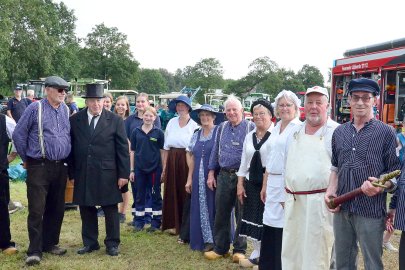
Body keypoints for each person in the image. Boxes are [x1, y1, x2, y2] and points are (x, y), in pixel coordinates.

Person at [325, 78, 401, 270]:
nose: (360, 102)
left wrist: (381, 185)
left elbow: (395, 175)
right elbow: (336, 166)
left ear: (374, 100)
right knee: (342, 263)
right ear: (348, 100)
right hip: (342, 208)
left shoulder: (386, 132)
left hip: (371, 212)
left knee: (373, 264)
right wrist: (331, 190)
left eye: (366, 98)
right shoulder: (339, 132)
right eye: (356, 97)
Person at [13, 76, 71, 266]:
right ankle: (35, 250)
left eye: (65, 90)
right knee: (37, 209)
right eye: (59, 89)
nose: (63, 93)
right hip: (39, 165)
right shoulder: (34, 108)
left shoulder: (65, 109)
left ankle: (50, 243)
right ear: (47, 90)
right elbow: (18, 134)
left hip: (60, 165)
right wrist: (27, 158)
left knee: (57, 208)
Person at [281, 87, 339, 269]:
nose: (314, 107)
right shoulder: (294, 131)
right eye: (310, 102)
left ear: (327, 105)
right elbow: (287, 164)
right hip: (294, 201)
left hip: (319, 203)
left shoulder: (336, 132)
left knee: (317, 253)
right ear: (304, 106)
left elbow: (341, 170)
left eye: (318, 103)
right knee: (292, 250)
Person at [69, 83, 129, 257]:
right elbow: (71, 148)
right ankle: (90, 242)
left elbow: (122, 149)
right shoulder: (75, 120)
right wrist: (71, 173)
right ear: (87, 102)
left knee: (110, 208)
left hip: (107, 172)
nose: (96, 104)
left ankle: (112, 243)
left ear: (104, 101)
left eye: (99, 100)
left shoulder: (115, 120)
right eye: (93, 101)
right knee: (86, 207)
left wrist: (123, 174)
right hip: (83, 171)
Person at [204, 95, 255, 263]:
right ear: (224, 112)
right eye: (228, 110)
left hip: (244, 177)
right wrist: (211, 172)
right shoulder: (221, 128)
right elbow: (214, 152)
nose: (232, 112)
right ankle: (220, 248)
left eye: (235, 109)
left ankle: (239, 250)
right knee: (222, 212)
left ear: (242, 111)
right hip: (224, 175)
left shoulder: (251, 127)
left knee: (242, 213)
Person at [258, 90, 301, 270]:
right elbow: (269, 159)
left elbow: (296, 162)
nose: (284, 108)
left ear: (296, 108)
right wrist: (264, 185)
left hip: (286, 185)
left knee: (284, 228)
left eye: (288, 105)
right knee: (269, 224)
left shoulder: (298, 129)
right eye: (281, 105)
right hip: (272, 183)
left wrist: (287, 192)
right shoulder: (275, 128)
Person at [236, 99, 274, 268]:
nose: (258, 117)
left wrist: (266, 185)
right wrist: (240, 184)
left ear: (271, 116)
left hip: (270, 184)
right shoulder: (249, 137)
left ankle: (267, 255)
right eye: (255, 114)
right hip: (252, 183)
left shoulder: (276, 135)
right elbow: (244, 162)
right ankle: (256, 253)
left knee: (267, 219)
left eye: (262, 113)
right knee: (252, 217)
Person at [185, 104, 224, 251]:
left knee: (215, 205)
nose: (205, 118)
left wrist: (213, 173)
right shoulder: (196, 134)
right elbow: (193, 158)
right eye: (202, 115)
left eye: (208, 115)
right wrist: (189, 179)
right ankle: (202, 239)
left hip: (215, 175)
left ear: (214, 117)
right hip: (197, 177)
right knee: (199, 205)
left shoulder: (219, 132)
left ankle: (216, 239)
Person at [161, 95, 198, 242]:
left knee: (184, 192)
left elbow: (194, 149)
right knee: (171, 190)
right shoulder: (171, 122)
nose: (180, 108)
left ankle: (184, 226)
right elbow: (165, 147)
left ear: (188, 107)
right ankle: (172, 223)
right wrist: (164, 167)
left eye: (183, 105)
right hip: (171, 159)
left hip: (186, 159)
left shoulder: (194, 126)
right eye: (178, 105)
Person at [125, 93, 161, 226]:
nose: (140, 104)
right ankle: (137, 217)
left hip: (152, 163)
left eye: (142, 102)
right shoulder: (130, 120)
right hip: (136, 160)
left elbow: (159, 144)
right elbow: (128, 139)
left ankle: (149, 217)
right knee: (137, 190)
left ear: (148, 103)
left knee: (150, 191)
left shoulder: (154, 121)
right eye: (138, 102)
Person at [130, 106, 164, 232]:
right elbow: (132, 151)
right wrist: (132, 170)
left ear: (155, 118)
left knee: (155, 195)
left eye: (151, 116)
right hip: (139, 169)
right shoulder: (135, 131)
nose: (148, 118)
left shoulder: (159, 133)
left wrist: (163, 169)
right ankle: (139, 222)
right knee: (140, 195)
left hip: (155, 169)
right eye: (146, 115)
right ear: (142, 116)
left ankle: (156, 223)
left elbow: (162, 152)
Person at [0, 114, 18, 255]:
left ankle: (4, 243)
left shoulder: (4, 120)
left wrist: (12, 155)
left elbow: (19, 135)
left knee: (1, 207)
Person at [113, 96, 131, 223]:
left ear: (127, 107)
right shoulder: (110, 119)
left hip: (125, 155)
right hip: (111, 156)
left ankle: (123, 212)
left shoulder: (129, 121)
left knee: (124, 186)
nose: (120, 107)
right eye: (118, 104)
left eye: (123, 105)